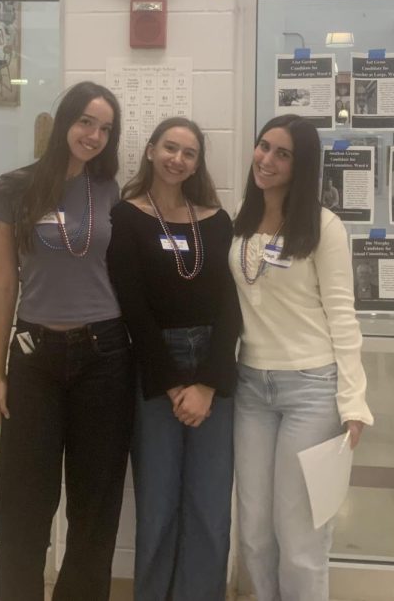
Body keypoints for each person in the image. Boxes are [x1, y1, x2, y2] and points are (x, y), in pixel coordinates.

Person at [0, 82, 132, 601]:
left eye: (105, 128)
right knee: (24, 499)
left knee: (95, 502)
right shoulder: (13, 189)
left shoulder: (114, 192)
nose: (94, 135)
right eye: (86, 122)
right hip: (34, 356)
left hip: (106, 355)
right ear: (64, 121)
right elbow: (4, 283)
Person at [229, 114, 373, 601]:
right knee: (252, 529)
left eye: (282, 153)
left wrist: (354, 401)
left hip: (310, 390)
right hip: (251, 388)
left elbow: (343, 316)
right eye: (263, 146)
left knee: (301, 537)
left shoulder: (325, 228)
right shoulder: (241, 221)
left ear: (301, 165)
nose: (266, 160)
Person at [105, 117, 240, 601]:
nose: (177, 159)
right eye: (170, 147)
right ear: (150, 151)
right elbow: (132, 307)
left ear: (198, 163)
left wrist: (207, 383)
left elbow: (232, 306)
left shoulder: (218, 220)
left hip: (213, 369)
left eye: (189, 153)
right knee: (158, 503)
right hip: (154, 365)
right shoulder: (126, 217)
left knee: (208, 505)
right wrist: (169, 383)